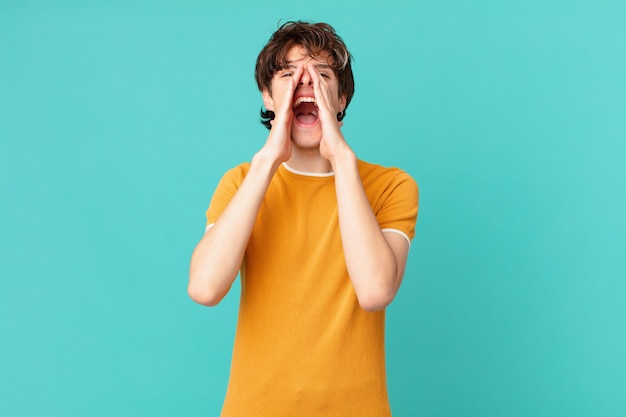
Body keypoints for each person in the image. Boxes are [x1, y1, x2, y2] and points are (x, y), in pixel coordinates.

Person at [188, 21, 419, 416]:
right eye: (288, 75)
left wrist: (341, 159)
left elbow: (375, 291)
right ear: (268, 96)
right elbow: (205, 288)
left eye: (321, 76)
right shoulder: (243, 182)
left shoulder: (390, 186)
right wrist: (267, 161)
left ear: (342, 97)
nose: (305, 85)